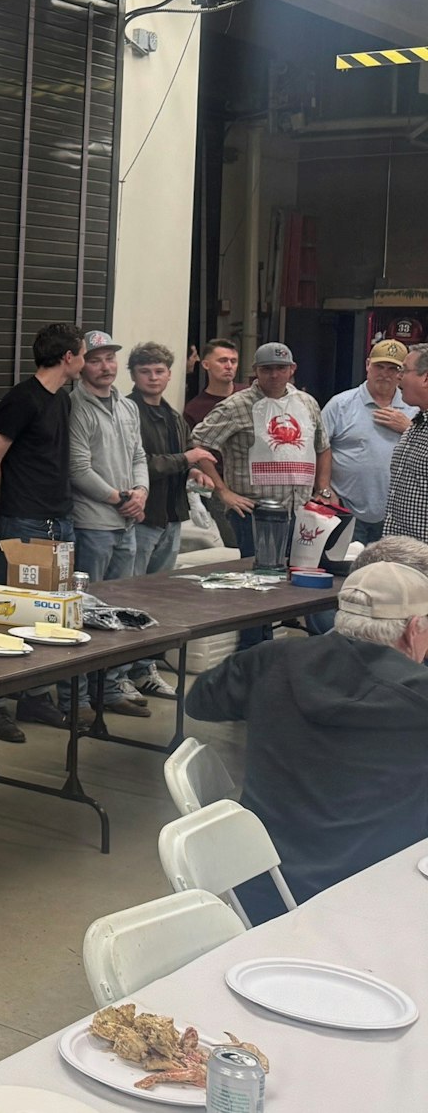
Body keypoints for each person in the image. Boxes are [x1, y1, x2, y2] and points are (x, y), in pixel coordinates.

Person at [184, 545, 428, 922]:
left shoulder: (271, 661)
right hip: (375, 905)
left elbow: (199, 702)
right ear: (414, 630)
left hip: (257, 889)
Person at [191, 341, 336, 649]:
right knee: (256, 590)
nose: (274, 375)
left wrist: (323, 489)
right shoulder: (236, 405)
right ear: (255, 371)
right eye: (267, 369)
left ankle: (314, 648)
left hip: (301, 512)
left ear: (292, 370)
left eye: (281, 369)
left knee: (304, 586)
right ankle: (254, 653)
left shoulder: (307, 403)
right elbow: (200, 443)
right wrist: (224, 491)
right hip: (254, 512)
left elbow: (323, 446)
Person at [0, 322, 86, 734]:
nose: (84, 361)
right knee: (17, 613)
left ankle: (36, 696)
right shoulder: (22, 399)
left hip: (60, 518)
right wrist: (12, 506)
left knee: (52, 614)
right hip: (26, 520)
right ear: (67, 357)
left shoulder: (62, 400)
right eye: (81, 353)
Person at [66, 331, 150, 717]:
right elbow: (78, 469)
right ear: (82, 363)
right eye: (96, 359)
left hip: (127, 523)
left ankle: (112, 689)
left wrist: (141, 492)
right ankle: (78, 696)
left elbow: (138, 455)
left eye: (110, 358)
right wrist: (121, 499)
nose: (105, 366)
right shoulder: (75, 406)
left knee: (121, 609)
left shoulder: (127, 407)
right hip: (93, 523)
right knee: (84, 612)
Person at [128, 342, 215, 580]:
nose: (153, 378)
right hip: (142, 517)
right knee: (131, 587)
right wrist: (186, 459)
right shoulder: (127, 412)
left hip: (172, 516)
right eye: (145, 372)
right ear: (133, 375)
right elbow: (138, 464)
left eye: (159, 371)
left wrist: (193, 472)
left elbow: (186, 451)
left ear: (169, 375)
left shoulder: (174, 415)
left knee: (161, 589)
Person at [322, 338, 418, 543]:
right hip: (346, 510)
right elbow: (319, 448)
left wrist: (408, 428)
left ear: (402, 374)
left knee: (389, 573)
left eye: (393, 368)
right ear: (367, 365)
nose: (385, 373)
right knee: (346, 572)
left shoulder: (415, 407)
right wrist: (324, 488)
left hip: (397, 516)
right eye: (379, 366)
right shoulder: (340, 404)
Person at [186, 338, 243, 549]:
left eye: (233, 361)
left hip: (254, 483)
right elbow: (196, 452)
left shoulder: (248, 397)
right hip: (220, 486)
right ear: (206, 365)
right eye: (222, 360)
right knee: (236, 548)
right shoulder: (195, 408)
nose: (229, 366)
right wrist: (219, 490)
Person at [388, 345, 428, 544]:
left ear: (426, 378)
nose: (398, 377)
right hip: (400, 552)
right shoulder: (416, 424)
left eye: (404, 370)